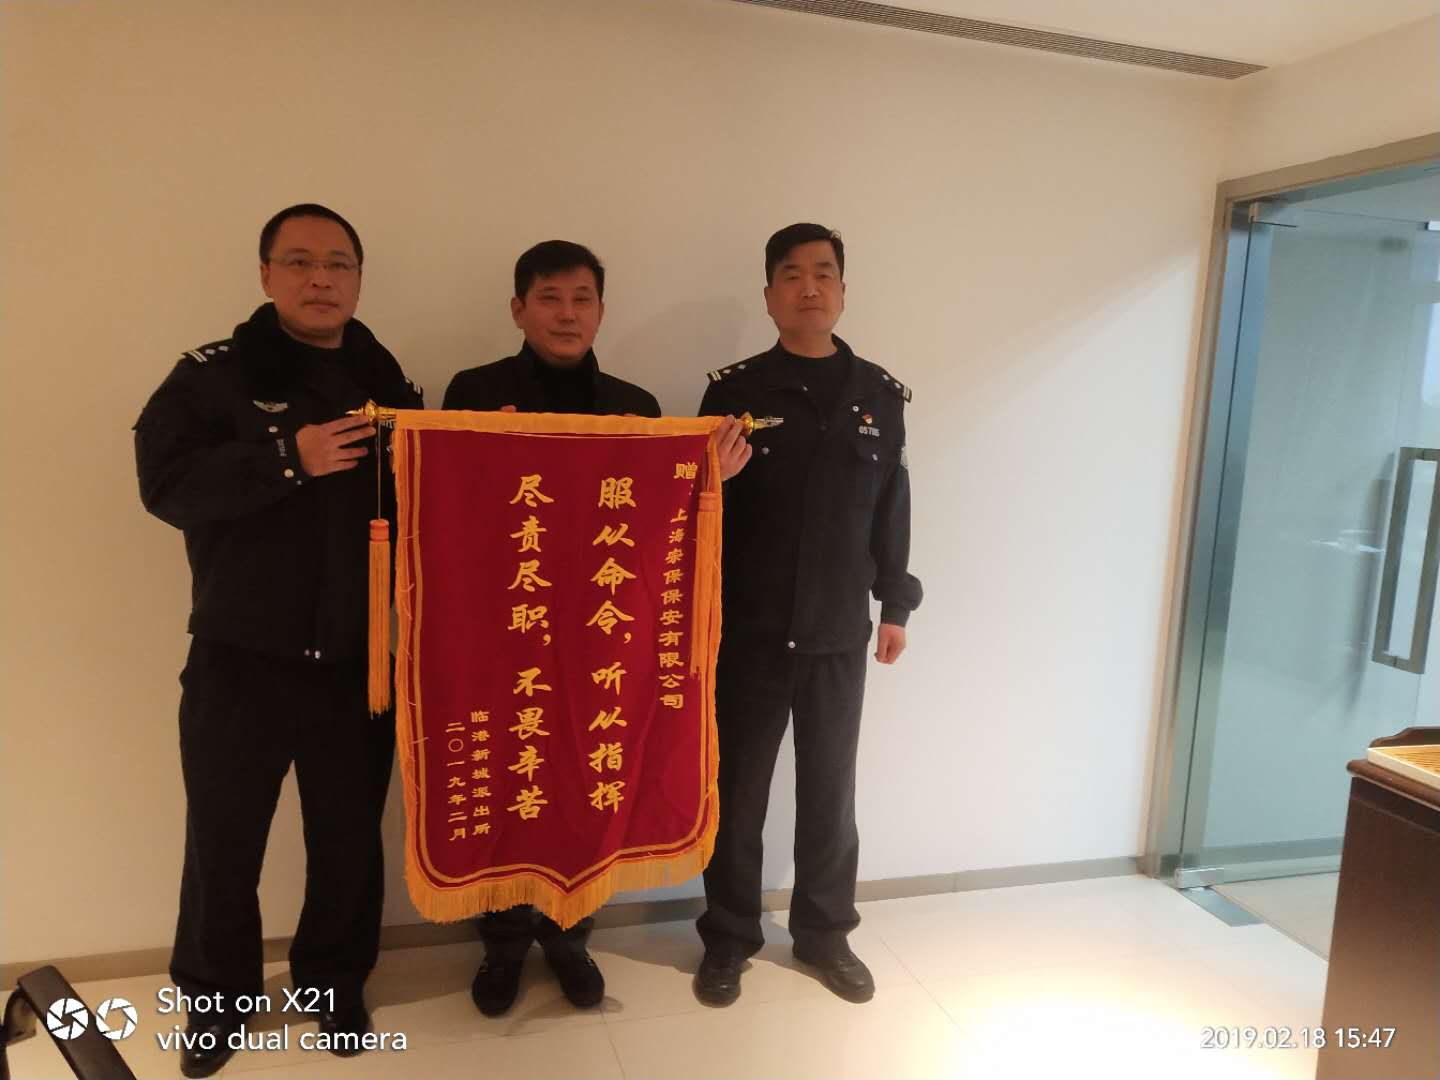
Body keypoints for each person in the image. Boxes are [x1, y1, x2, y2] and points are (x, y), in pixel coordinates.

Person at [134, 204, 422, 1077]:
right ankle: (216, 1001)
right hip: (240, 657)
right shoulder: (212, 376)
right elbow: (164, 484)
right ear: (266, 275)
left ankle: (334, 983)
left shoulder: (386, 378)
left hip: (356, 662)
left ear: (360, 279)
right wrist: (287, 456)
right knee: (223, 845)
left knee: (347, 843)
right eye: (298, 262)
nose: (320, 279)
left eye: (338, 263)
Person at [443, 240, 748, 1018]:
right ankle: (504, 943)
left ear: (602, 311)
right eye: (549, 298)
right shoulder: (473, 393)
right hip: (508, 626)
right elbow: (453, 505)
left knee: (587, 782)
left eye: (582, 299)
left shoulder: (633, 407)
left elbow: (658, 522)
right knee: (514, 782)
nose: (567, 313)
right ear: (519, 309)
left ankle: (570, 936)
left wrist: (708, 476)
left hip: (600, 635)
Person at [692, 223, 922, 1007]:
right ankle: (728, 938)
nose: (809, 287)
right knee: (737, 796)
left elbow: (891, 506)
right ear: (769, 296)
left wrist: (896, 603)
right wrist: (712, 481)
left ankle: (825, 935)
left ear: (843, 292)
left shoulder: (880, 396)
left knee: (830, 795)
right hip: (748, 632)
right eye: (791, 275)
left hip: (836, 632)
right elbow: (695, 512)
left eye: (824, 273)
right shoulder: (734, 394)